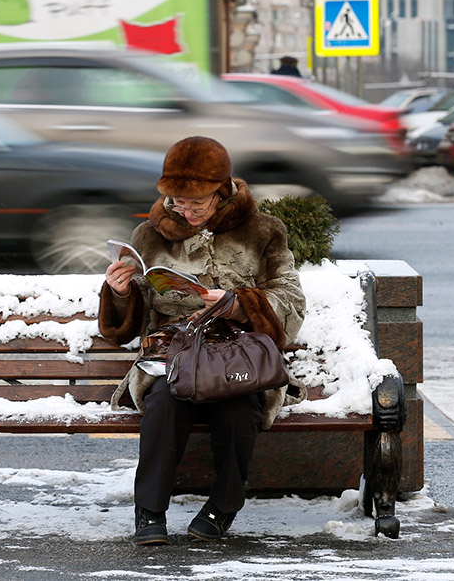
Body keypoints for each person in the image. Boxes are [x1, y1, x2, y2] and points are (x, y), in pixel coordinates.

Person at [99, 136, 306, 546]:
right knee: (163, 403)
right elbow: (129, 321)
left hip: (238, 354)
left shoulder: (263, 231)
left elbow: (291, 298)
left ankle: (223, 506)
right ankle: (149, 512)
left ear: (223, 191)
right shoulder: (150, 233)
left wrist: (237, 304)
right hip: (173, 353)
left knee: (238, 407)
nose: (187, 212)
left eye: (198, 204)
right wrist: (121, 294)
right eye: (178, 202)